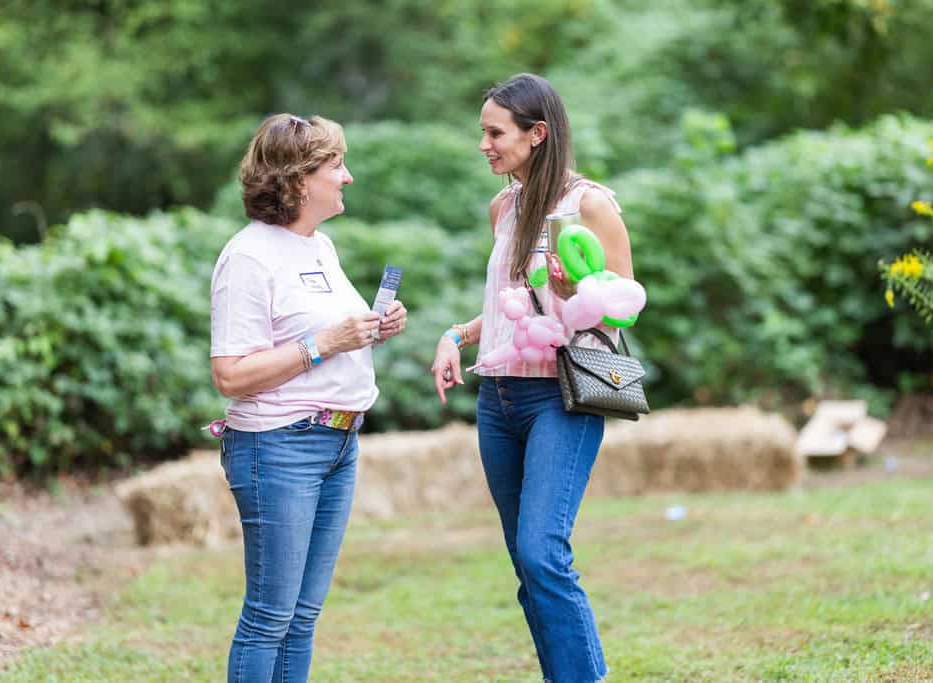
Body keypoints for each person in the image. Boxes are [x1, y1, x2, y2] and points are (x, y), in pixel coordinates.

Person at [430, 73, 633, 683]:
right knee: (527, 563)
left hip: (561, 395)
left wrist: (580, 291)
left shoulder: (588, 205)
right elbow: (508, 306)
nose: (484, 145)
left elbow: (625, 303)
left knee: (543, 554)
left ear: (537, 133)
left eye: (495, 133)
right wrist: (455, 336)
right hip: (498, 398)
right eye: (483, 133)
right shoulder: (504, 207)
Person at [210, 113, 407, 683]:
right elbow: (230, 375)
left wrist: (371, 329)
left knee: (301, 618)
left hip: (338, 444)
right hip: (279, 448)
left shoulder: (319, 246)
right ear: (297, 180)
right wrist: (325, 343)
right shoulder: (248, 257)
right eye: (336, 165)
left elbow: (326, 337)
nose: (347, 177)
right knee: (269, 617)